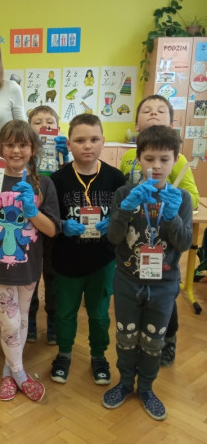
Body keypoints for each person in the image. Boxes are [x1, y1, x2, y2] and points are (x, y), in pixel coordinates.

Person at [103, 125, 192, 421]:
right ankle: (125, 382)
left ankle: (147, 388)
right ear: (138, 158)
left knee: (154, 340)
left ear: (175, 160)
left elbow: (184, 243)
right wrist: (125, 210)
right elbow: (114, 238)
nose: (156, 166)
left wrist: (172, 217)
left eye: (164, 159)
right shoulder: (124, 193)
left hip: (164, 285)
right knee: (126, 335)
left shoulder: (181, 198)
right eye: (149, 158)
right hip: (127, 280)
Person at [0, 119, 60, 402]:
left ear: (33, 149)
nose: (16, 150)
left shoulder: (43, 183)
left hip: (29, 266)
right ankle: (20, 375)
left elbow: (51, 229)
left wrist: (32, 210)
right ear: (0, 148)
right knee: (9, 324)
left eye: (23, 144)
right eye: (9, 144)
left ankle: (8, 371)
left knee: (21, 322)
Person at [119, 94, 199, 367]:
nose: (155, 165)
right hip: (133, 255)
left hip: (164, 259)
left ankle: (168, 339)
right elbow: (122, 193)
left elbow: (190, 201)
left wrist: (171, 208)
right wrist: (126, 208)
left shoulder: (178, 165)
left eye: (160, 110)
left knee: (164, 306)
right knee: (132, 319)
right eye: (147, 110)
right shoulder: (128, 158)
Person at [49, 113, 125, 386]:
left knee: (100, 314)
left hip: (102, 261)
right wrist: (61, 225)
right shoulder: (57, 179)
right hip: (66, 260)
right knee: (64, 313)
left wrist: (113, 222)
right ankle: (64, 353)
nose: (87, 145)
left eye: (94, 139)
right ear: (69, 144)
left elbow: (125, 215)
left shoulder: (116, 178)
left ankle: (98, 356)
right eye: (80, 140)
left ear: (103, 141)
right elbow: (48, 218)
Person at [26, 105, 70, 345]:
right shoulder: (25, 156)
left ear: (58, 128)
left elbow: (70, 182)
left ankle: (53, 319)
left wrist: (67, 158)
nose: (44, 125)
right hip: (28, 224)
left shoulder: (63, 157)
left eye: (50, 122)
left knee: (53, 277)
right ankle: (30, 317)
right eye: (38, 122)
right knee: (30, 274)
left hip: (54, 224)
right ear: (29, 129)